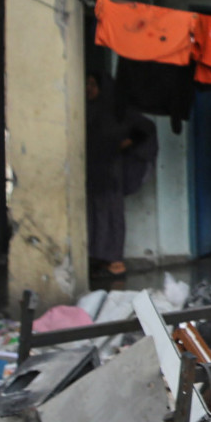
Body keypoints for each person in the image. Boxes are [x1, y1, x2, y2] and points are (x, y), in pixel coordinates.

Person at [86, 71, 158, 278]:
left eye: (93, 84)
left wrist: (125, 144)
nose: (88, 89)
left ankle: (115, 260)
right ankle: (98, 257)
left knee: (112, 213)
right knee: (94, 214)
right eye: (87, 84)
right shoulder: (87, 110)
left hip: (110, 172)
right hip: (93, 171)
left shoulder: (118, 110)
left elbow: (146, 128)